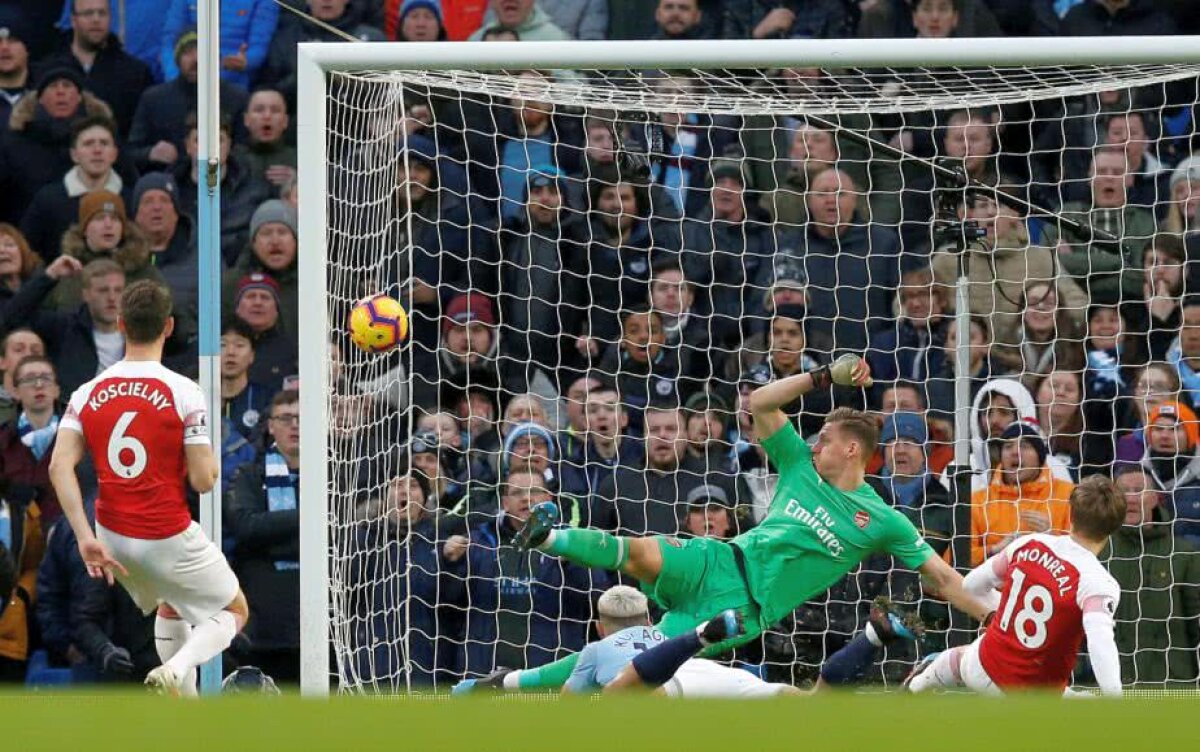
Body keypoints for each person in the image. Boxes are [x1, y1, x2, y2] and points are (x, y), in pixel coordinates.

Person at [465, 354, 992, 693]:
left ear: (852, 450)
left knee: (631, 655)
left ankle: (504, 684)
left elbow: (945, 581)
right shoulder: (798, 466)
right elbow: (759, 402)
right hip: (721, 556)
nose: (814, 444)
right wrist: (824, 375)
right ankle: (545, 535)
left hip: (741, 607)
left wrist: (996, 618)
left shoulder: (884, 520)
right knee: (640, 551)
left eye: (825, 440)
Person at [48, 280, 249, 696]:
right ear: (169, 326)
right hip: (164, 530)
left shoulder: (86, 393)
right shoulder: (184, 390)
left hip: (111, 535)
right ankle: (175, 669)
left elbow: (58, 465)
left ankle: (185, 712)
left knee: (171, 601)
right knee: (233, 610)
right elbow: (203, 480)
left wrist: (85, 537)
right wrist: (206, 452)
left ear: (121, 324)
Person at [907, 475, 1127, 697]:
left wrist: (1004, 611)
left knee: (963, 658)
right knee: (1082, 701)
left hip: (982, 666)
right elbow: (1101, 643)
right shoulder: (1099, 583)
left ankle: (919, 685)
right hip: (1032, 696)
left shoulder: (1031, 543)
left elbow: (971, 585)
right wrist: (1114, 700)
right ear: (1114, 528)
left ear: (1071, 513)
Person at [560, 585, 794, 697]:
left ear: (599, 628)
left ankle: (701, 635)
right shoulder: (661, 636)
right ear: (650, 622)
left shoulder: (596, 650)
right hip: (701, 671)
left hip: (661, 689)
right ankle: (701, 635)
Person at [227, 390, 300, 683]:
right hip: (263, 617)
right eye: (285, 418)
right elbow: (246, 526)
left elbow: (339, 534)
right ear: (271, 425)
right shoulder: (249, 475)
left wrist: (273, 531)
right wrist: (309, 518)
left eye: (301, 418)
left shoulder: (334, 477)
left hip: (318, 617)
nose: (294, 425)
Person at [1108, 466, 1200, 686]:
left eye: (1139, 490)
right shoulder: (1097, 551)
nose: (1130, 498)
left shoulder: (1184, 554)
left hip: (1170, 685)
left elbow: (1196, 625)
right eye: (1123, 491)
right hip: (1107, 687)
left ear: (1155, 498)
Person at [126, 29, 250, 173]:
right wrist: (149, 153)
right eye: (188, 52)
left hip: (224, 184)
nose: (196, 59)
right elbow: (130, 152)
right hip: (168, 184)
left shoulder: (237, 98)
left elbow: (247, 151)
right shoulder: (153, 99)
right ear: (177, 60)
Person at [20, 115, 129, 264]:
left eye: (104, 143)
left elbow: (152, 255)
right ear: (74, 154)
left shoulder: (130, 198)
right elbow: (27, 253)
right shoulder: (48, 200)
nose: (97, 150)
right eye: (88, 144)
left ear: (114, 154)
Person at [35, 0, 153, 136]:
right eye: (88, 13)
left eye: (102, 13)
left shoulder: (135, 72)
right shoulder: (47, 69)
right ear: (73, 20)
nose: (96, 20)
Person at [970, 420, 1075, 566]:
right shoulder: (978, 501)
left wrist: (1052, 540)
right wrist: (995, 550)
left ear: (1040, 457)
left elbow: (1086, 553)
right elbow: (954, 559)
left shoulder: (1068, 495)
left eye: (1024, 446)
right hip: (991, 587)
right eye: (1008, 446)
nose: (1015, 452)